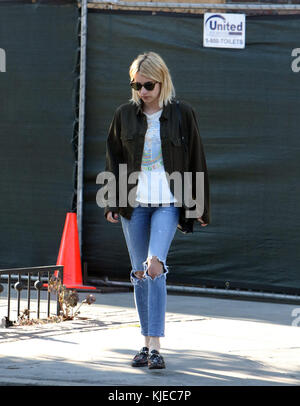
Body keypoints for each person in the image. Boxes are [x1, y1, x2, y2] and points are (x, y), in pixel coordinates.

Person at [104, 51, 210, 369]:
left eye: (148, 85)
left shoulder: (182, 114)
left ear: (162, 81)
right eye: (137, 86)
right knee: (139, 273)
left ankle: (157, 347)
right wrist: (112, 200)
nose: (143, 92)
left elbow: (196, 160)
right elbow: (113, 159)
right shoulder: (124, 115)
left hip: (167, 203)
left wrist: (198, 206)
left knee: (154, 266)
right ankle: (144, 344)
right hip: (134, 206)